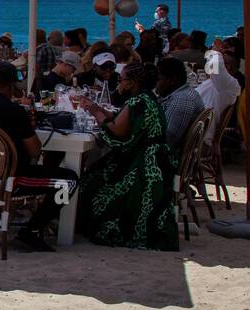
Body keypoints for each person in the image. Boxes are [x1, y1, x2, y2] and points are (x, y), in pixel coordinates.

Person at [0, 61, 77, 252]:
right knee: (69, 180)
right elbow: (35, 151)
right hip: (11, 179)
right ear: (11, 86)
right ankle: (33, 230)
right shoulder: (15, 111)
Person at [76, 64, 178, 250]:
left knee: (94, 178)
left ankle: (87, 224)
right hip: (156, 159)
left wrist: (96, 112)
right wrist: (100, 110)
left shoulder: (137, 102)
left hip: (145, 164)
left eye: (121, 79)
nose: (119, 82)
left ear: (132, 83)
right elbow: (122, 118)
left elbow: (117, 131)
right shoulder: (146, 99)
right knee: (95, 171)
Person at [154, 57, 205, 154]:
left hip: (168, 158)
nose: (155, 84)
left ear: (172, 80)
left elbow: (168, 138)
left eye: (158, 79)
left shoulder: (182, 99)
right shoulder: (179, 94)